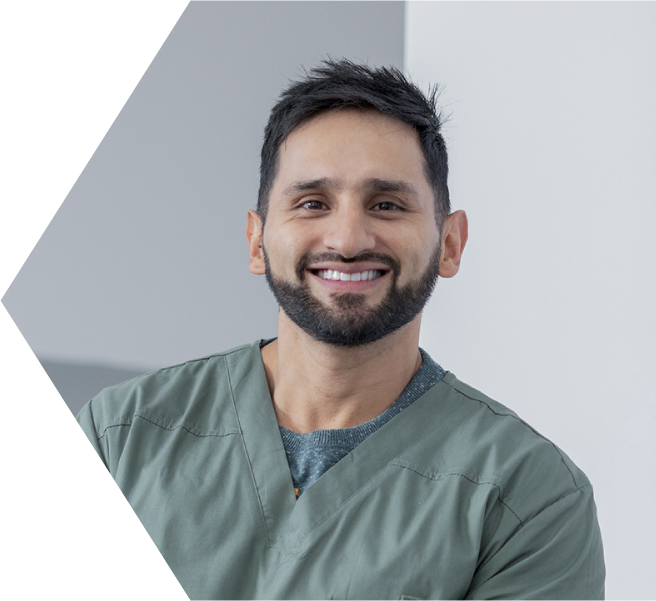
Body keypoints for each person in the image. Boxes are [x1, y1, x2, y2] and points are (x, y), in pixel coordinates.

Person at [76, 59, 605, 600]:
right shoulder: (121, 437)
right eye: (312, 203)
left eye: (387, 204)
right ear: (257, 241)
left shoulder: (529, 499)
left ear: (450, 244)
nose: (348, 238)